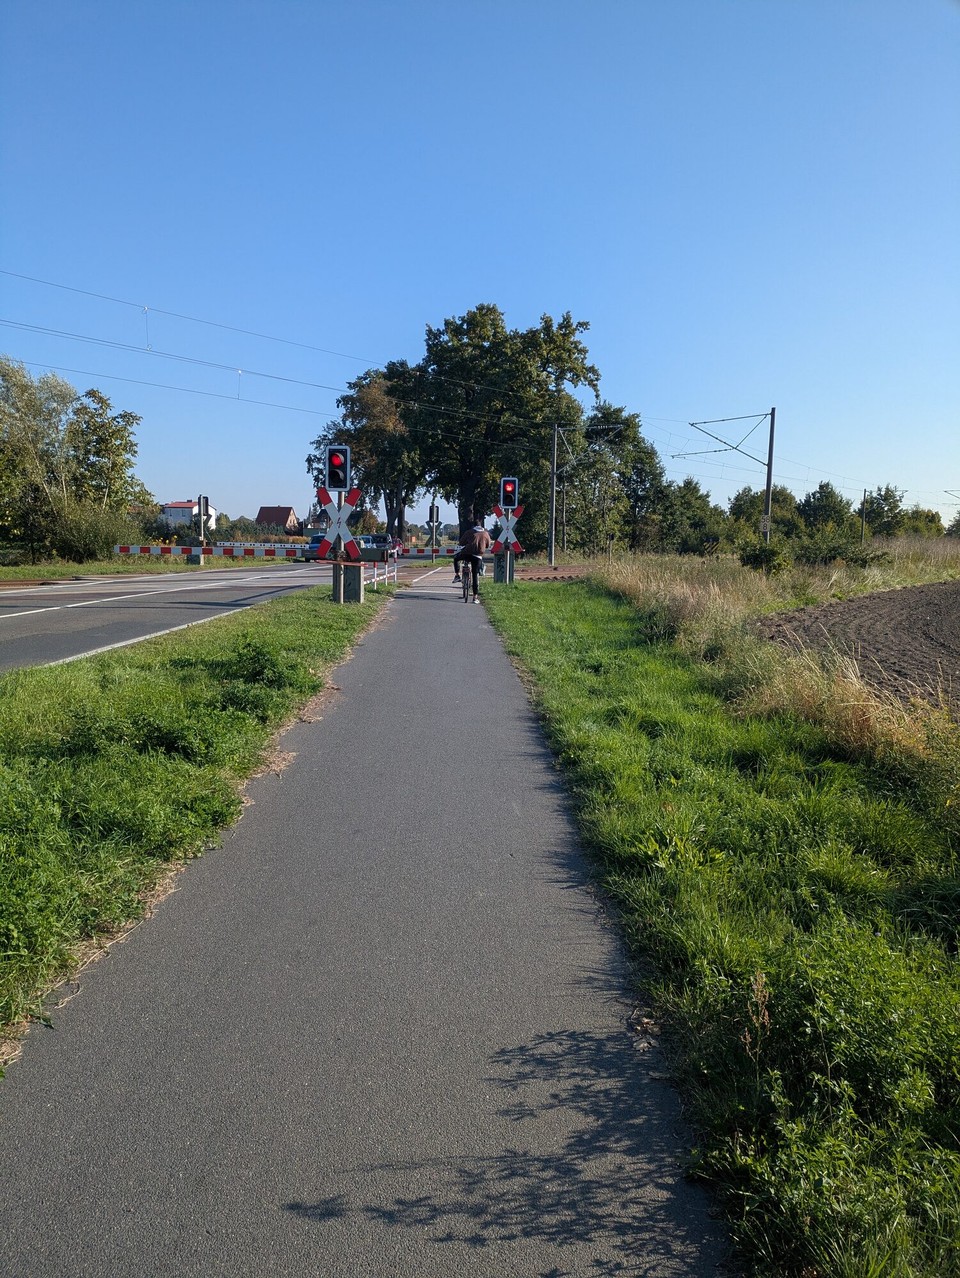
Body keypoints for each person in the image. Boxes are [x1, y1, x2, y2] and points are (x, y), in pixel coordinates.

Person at [453, 519, 492, 601]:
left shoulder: (469, 532)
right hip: (478, 556)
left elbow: (461, 542)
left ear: (473, 526)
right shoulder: (486, 534)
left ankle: (457, 575)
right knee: (475, 575)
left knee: (456, 558)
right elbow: (488, 545)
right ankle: (475, 597)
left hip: (467, 554)